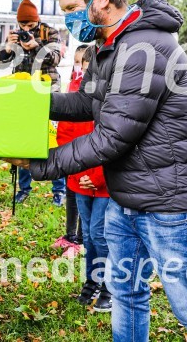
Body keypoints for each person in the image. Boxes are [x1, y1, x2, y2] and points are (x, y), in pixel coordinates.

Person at [0, 0, 187, 342]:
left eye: (72, 9)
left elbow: (112, 136)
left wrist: (39, 163)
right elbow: (84, 104)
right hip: (128, 196)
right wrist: (33, 101)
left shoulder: (145, 48)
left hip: (172, 200)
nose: (70, 20)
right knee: (126, 293)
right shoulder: (108, 48)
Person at [0, 0, 64, 205]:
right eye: (22, 25)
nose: (26, 28)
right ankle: (24, 188)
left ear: (38, 21)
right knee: (21, 139)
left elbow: (57, 58)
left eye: (30, 25)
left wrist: (37, 45)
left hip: (47, 89)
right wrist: (8, 48)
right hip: (22, 91)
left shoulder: (49, 32)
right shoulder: (15, 34)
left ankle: (59, 189)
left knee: (52, 139)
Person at [59, 48, 112, 313]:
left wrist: (99, 177)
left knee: (102, 236)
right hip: (80, 178)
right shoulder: (75, 92)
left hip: (105, 183)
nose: (86, 71)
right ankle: (92, 279)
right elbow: (66, 135)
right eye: (83, 65)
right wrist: (77, 172)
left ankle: (108, 285)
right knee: (89, 235)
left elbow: (117, 141)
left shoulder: (113, 96)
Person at [52, 44, 90, 257]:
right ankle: (69, 236)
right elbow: (67, 121)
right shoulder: (74, 85)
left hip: (86, 153)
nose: (78, 69)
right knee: (71, 194)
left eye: (82, 65)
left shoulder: (93, 92)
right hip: (71, 150)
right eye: (77, 64)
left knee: (83, 198)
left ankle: (82, 240)